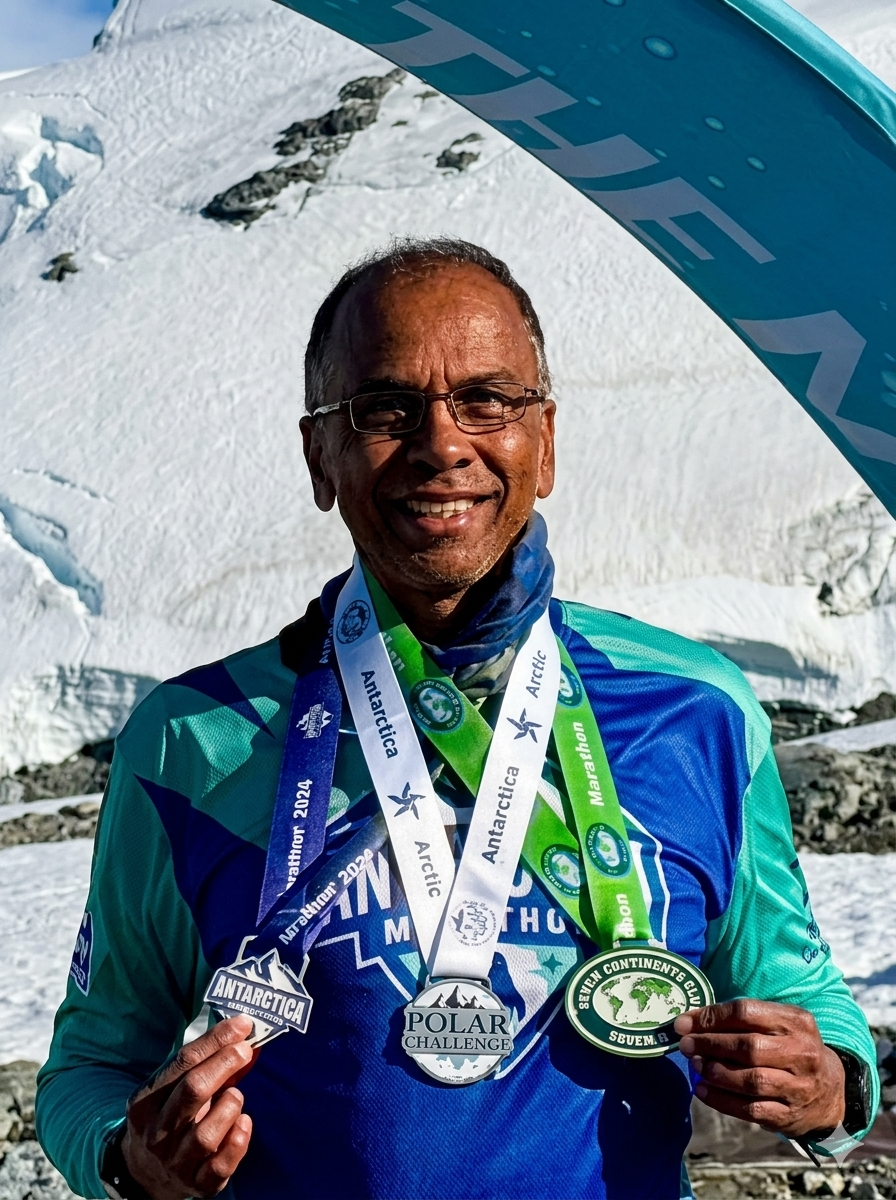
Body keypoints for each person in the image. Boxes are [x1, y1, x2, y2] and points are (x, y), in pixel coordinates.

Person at [37, 237, 878, 1200]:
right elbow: (91, 1065)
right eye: (387, 408)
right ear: (321, 454)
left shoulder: (700, 712)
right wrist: (128, 1157)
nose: (443, 445)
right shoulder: (193, 739)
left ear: (546, 443)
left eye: (487, 400)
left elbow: (808, 1000)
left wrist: (830, 1086)